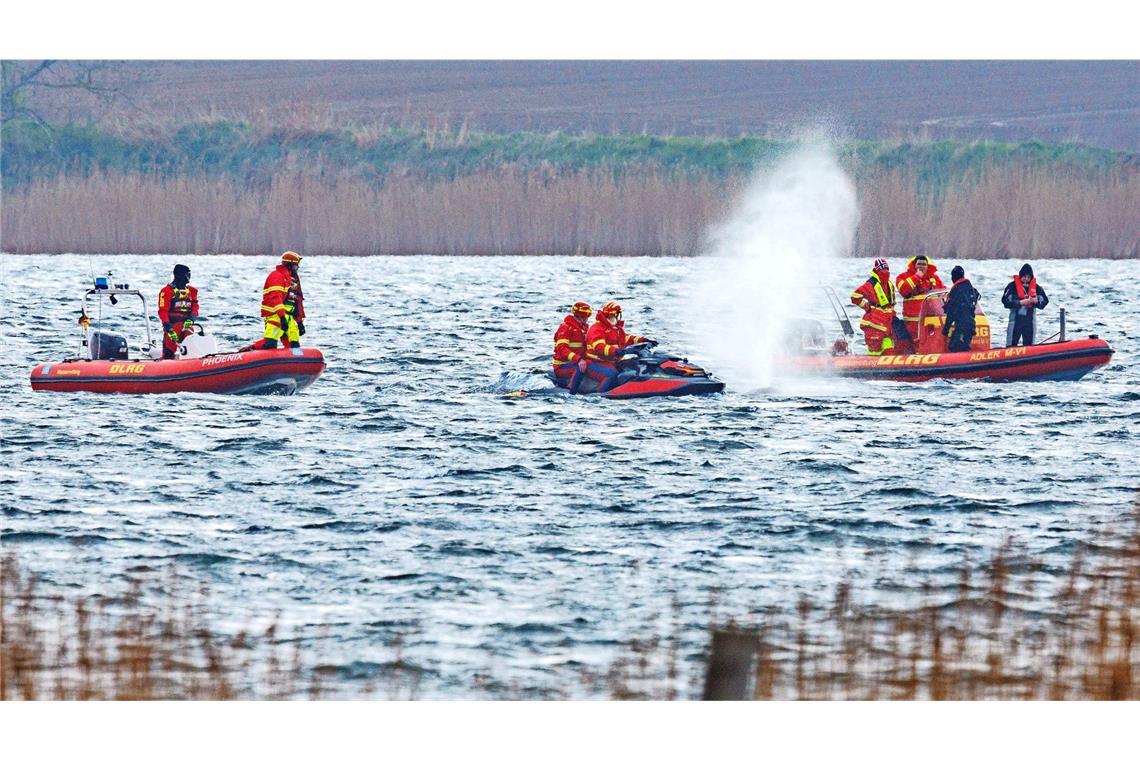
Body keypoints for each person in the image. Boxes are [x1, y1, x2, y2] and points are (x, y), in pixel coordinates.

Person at [584, 301, 654, 393]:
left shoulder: (615, 329)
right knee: (612, 374)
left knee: (631, 366)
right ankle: (601, 394)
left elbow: (626, 338)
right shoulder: (597, 328)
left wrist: (644, 340)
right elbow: (599, 347)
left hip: (610, 361)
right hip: (595, 362)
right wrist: (616, 351)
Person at [245, 251, 306, 351]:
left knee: (294, 346)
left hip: (289, 318)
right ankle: (250, 350)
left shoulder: (294, 281)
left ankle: (293, 363)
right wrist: (282, 317)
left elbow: (297, 302)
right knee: (270, 344)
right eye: (295, 266)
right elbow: (275, 298)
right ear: (289, 265)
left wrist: (299, 322)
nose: (297, 269)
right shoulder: (276, 276)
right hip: (275, 316)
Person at [850, 258, 899, 356]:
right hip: (874, 324)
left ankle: (888, 369)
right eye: (883, 269)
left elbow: (891, 305)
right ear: (877, 270)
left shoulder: (889, 284)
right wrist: (867, 307)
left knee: (889, 350)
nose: (885, 271)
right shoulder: (870, 284)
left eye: (887, 269)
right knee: (874, 353)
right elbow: (855, 296)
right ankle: (872, 369)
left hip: (887, 324)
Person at [895, 254, 945, 340]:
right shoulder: (903, 277)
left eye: (924, 264)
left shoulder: (934, 278)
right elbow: (903, 290)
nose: (921, 266)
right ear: (914, 265)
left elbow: (943, 293)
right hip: (913, 322)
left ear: (927, 266)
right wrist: (917, 277)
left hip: (931, 320)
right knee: (917, 343)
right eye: (919, 264)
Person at [157, 264, 199, 359]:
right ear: (180, 275)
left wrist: (191, 320)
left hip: (187, 327)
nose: (189, 277)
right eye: (187, 274)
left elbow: (195, 308)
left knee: (192, 352)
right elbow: (163, 311)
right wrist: (169, 328)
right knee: (168, 354)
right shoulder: (166, 291)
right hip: (173, 328)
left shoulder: (192, 291)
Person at [1001, 263, 1049, 346]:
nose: (1026, 279)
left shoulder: (1037, 288)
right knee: (1010, 346)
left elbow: (1045, 301)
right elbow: (1005, 301)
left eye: (1028, 277)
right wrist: (1020, 302)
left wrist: (1036, 302)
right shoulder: (1011, 287)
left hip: (1030, 322)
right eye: (1024, 277)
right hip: (1015, 322)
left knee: (1030, 346)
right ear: (1020, 276)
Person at [553, 302, 593, 393]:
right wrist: (578, 359)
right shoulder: (565, 327)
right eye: (586, 316)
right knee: (581, 367)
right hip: (562, 366)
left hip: (576, 362)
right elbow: (562, 349)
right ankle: (571, 391)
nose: (587, 319)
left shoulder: (584, 328)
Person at [942, 265, 980, 353]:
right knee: (953, 346)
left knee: (957, 347)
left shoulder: (957, 291)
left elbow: (951, 311)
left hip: (963, 326)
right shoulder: (971, 289)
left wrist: (946, 329)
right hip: (969, 324)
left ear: (953, 277)